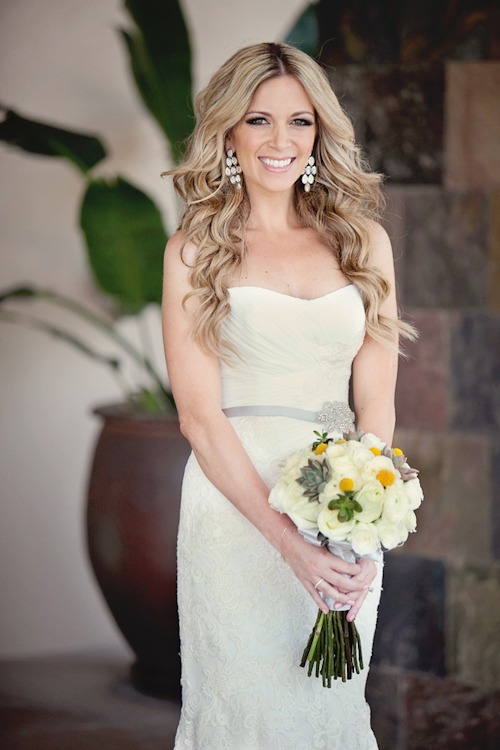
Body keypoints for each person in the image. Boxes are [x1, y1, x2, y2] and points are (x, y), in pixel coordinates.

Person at [161, 41, 415, 750]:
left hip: (341, 503)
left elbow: (379, 405)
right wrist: (286, 544)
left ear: (319, 133)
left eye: (299, 121)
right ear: (229, 132)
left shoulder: (364, 242)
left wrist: (365, 520)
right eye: (259, 120)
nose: (281, 140)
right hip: (235, 509)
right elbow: (198, 417)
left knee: (327, 712)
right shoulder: (193, 249)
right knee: (248, 710)